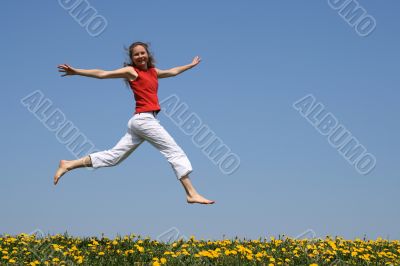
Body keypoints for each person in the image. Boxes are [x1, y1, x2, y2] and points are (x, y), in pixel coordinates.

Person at [54, 41, 215, 205]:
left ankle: (69, 164)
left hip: (140, 122)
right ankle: (191, 193)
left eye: (142, 53)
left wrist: (190, 65)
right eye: (136, 54)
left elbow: (173, 71)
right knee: (174, 151)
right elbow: (102, 74)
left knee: (114, 157)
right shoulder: (131, 72)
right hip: (144, 120)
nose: (140, 56)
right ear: (132, 58)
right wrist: (76, 71)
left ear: (148, 54)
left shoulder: (154, 72)